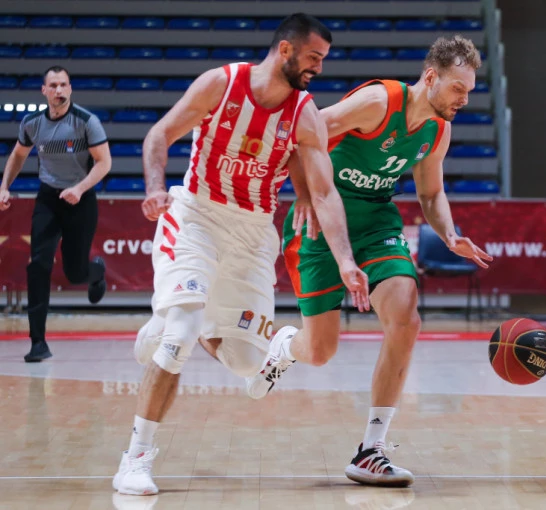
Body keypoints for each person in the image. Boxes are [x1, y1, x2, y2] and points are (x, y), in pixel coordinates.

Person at [112, 13, 370, 496]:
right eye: (313, 57)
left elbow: (324, 192)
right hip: (197, 216)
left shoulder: (305, 113)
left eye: (323, 59)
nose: (319, 67)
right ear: (286, 50)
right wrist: (154, 188)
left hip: (253, 233)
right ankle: (136, 458)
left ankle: (178, 319)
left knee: (249, 363)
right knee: (181, 335)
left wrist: (345, 260)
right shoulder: (221, 83)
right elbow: (158, 136)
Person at [248, 35, 493, 487]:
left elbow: (431, 193)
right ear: (431, 77)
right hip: (323, 220)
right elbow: (305, 130)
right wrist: (304, 192)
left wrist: (449, 234)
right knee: (319, 351)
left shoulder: (437, 130)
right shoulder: (379, 102)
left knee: (406, 316)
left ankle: (371, 449)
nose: (464, 99)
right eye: (458, 88)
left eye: (469, 91)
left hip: (377, 223)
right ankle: (286, 347)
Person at [0, 66, 111, 363]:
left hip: (81, 199)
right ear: (44, 91)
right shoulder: (32, 123)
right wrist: (4, 187)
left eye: (63, 85)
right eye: (53, 85)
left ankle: (96, 272)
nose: (59, 90)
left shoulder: (87, 121)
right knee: (38, 265)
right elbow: (18, 154)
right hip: (48, 198)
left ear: (70, 88)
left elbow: (104, 163)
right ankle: (38, 342)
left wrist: (80, 188)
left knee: (75, 273)